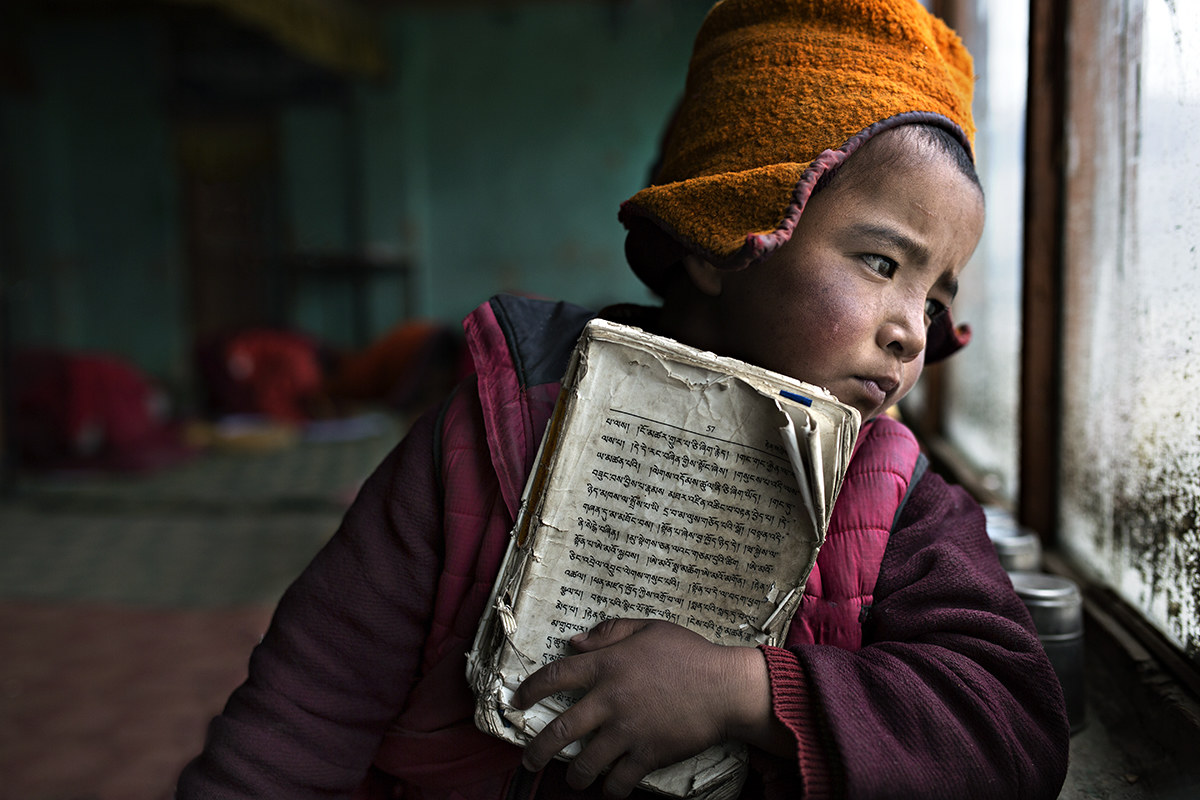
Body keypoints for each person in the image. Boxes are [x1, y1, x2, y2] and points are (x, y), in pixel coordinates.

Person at [176, 1, 1071, 798]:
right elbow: (306, 707)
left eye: (936, 297)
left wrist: (748, 692)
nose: (914, 330)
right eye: (882, 265)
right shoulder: (495, 434)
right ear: (723, 238)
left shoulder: (897, 504)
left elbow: (1013, 730)